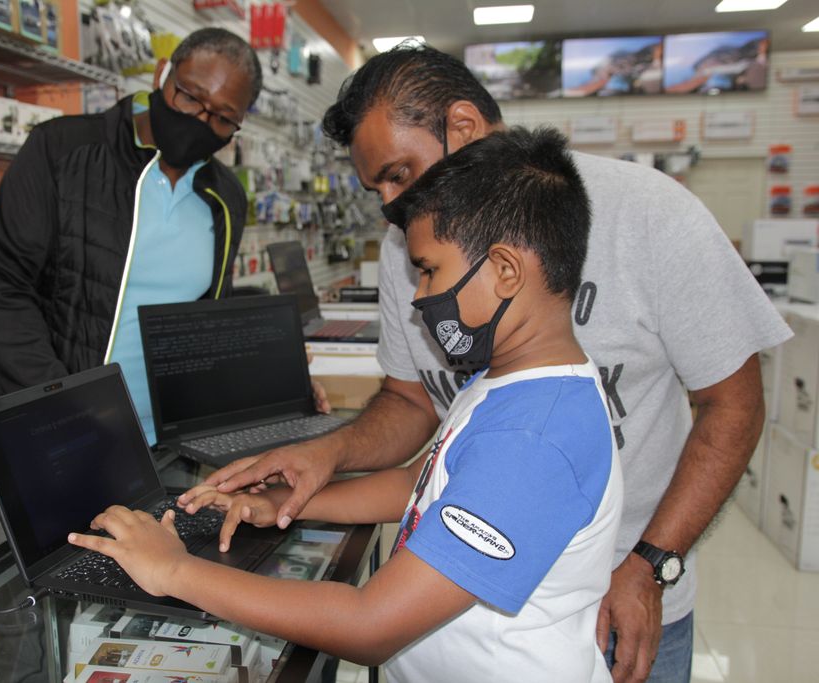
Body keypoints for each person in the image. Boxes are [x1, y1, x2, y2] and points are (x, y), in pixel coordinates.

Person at [190, 44, 792, 682]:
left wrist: (649, 566)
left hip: (618, 597)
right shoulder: (449, 290)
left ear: (465, 128)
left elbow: (734, 403)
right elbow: (416, 416)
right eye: (378, 190)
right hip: (448, 587)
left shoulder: (649, 215)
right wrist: (319, 466)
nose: (391, 208)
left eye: (399, 174)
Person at [71, 127, 624, 682]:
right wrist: (290, 502)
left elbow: (370, 626)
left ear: (504, 271)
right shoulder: (508, 382)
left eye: (430, 269)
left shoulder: (533, 439)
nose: (418, 295)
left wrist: (174, 571)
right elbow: (426, 486)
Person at [0, 28, 260, 547]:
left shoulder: (225, 196)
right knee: (28, 608)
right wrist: (64, 410)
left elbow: (204, 322)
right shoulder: (62, 149)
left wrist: (268, 381)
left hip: (159, 451)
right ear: (161, 74)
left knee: (136, 609)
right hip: (43, 440)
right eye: (190, 96)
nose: (201, 120)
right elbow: (2, 282)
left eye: (222, 117)